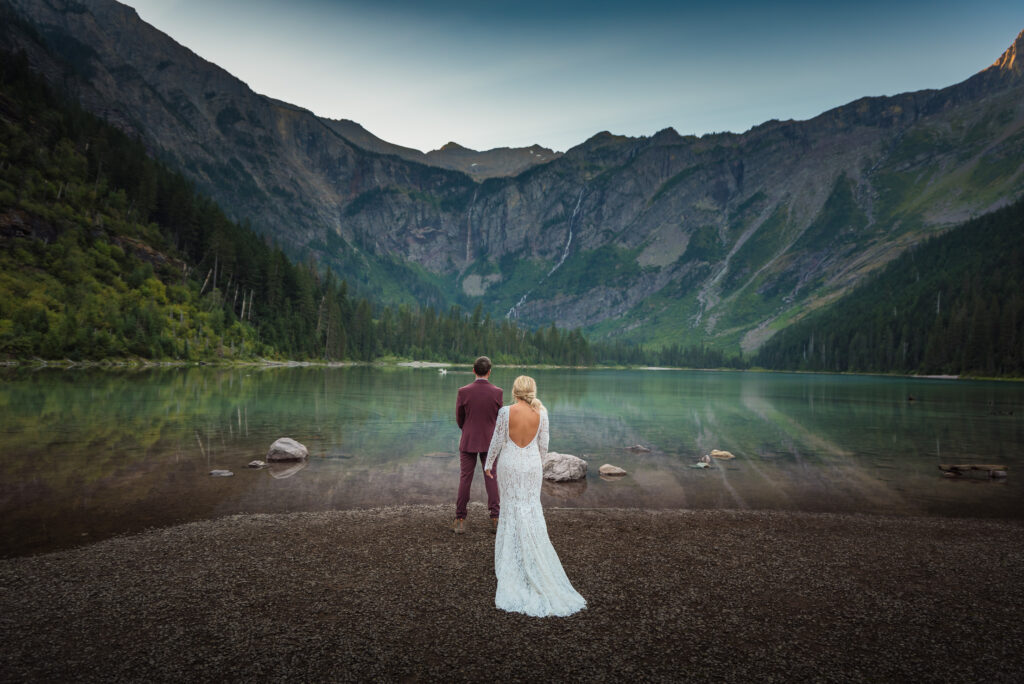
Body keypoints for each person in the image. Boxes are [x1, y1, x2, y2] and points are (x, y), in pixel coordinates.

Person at [484, 375, 586, 617]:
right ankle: (533, 555)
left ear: (515, 390)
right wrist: (537, 465)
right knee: (530, 508)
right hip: (531, 466)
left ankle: (513, 559)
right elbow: (544, 445)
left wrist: (489, 463)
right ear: (532, 390)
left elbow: (497, 441)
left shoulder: (505, 412)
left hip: (509, 464)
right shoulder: (542, 412)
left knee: (510, 508)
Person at [454, 356, 503, 534]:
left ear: (473, 370)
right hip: (490, 442)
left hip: (468, 440)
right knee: (491, 477)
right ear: (489, 371)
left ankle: (460, 519)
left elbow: (459, 418)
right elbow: (500, 419)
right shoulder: (498, 392)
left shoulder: (463, 391)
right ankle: (495, 519)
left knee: (465, 478)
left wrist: (466, 429)